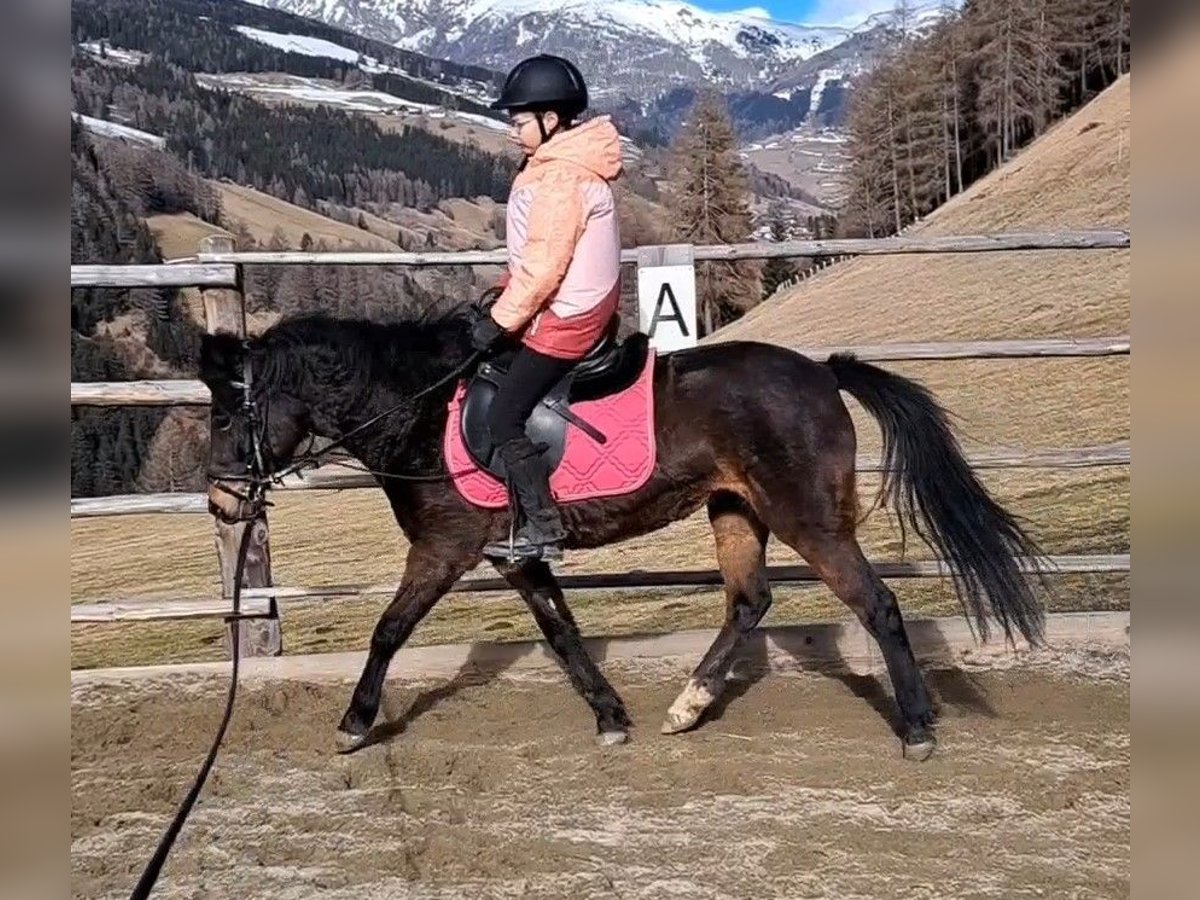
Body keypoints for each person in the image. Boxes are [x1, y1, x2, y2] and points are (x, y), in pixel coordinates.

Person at [470, 53, 624, 562]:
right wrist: (502, 296)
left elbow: (544, 268)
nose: (513, 131)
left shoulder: (562, 179)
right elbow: (528, 257)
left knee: (506, 415)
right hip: (559, 306)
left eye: (519, 121)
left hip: (568, 318)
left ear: (550, 120)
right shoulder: (555, 166)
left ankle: (544, 528)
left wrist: (500, 321)